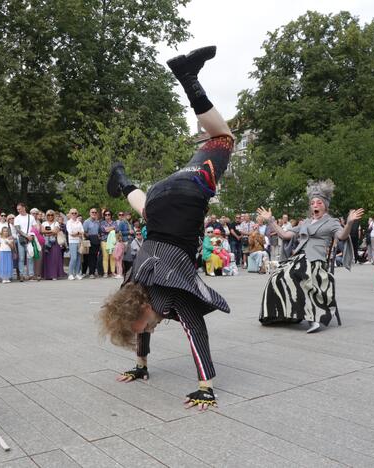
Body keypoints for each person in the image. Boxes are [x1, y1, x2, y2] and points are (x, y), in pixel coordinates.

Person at [100, 46, 232, 409]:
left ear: (138, 310)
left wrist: (205, 386)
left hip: (185, 196)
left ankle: (187, 76)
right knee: (147, 211)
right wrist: (140, 365)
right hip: (158, 198)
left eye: (141, 327)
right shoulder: (134, 289)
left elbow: (195, 331)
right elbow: (141, 324)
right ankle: (123, 180)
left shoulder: (166, 296)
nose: (146, 329)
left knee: (223, 139)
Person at [258, 180, 364, 332]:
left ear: (325, 205)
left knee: (298, 275)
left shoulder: (331, 222)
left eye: (319, 202)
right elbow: (285, 234)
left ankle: (313, 318)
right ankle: (282, 314)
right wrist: (270, 221)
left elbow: (341, 236)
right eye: (313, 203)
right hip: (299, 258)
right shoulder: (306, 222)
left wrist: (349, 223)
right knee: (276, 276)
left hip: (316, 261)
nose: (315, 205)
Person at [42, 210, 65, 280]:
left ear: (54, 215)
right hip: (46, 243)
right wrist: (51, 231)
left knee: (54, 259)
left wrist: (47, 233)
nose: (50, 216)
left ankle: (54, 275)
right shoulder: (44, 223)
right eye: (48, 215)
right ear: (46, 216)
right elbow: (42, 231)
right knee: (47, 259)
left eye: (52, 215)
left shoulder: (56, 223)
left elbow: (56, 231)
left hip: (54, 243)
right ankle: (47, 275)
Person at [83, 208, 102, 278]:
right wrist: (89, 236)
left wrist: (99, 237)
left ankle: (93, 271)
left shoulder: (97, 222)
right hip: (89, 240)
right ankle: (91, 273)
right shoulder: (86, 222)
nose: (94, 213)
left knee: (95, 257)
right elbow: (84, 232)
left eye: (95, 212)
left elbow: (99, 231)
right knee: (90, 257)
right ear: (89, 213)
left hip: (96, 241)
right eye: (92, 212)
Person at [66, 208, 84, 280]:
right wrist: (77, 233)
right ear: (70, 214)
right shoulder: (69, 222)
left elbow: (82, 232)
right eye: (72, 213)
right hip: (72, 242)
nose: (74, 214)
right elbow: (71, 233)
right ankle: (70, 273)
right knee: (74, 258)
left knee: (79, 258)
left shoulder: (79, 222)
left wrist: (76, 233)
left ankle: (77, 273)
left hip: (79, 241)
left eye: (75, 213)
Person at [99, 210, 117, 277]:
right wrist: (112, 228)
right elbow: (104, 230)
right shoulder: (102, 223)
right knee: (105, 256)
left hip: (112, 242)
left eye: (108, 214)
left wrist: (109, 228)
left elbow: (117, 229)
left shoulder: (114, 222)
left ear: (111, 215)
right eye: (106, 215)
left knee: (112, 257)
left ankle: (112, 272)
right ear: (104, 216)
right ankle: (105, 272)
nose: (107, 216)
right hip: (104, 241)